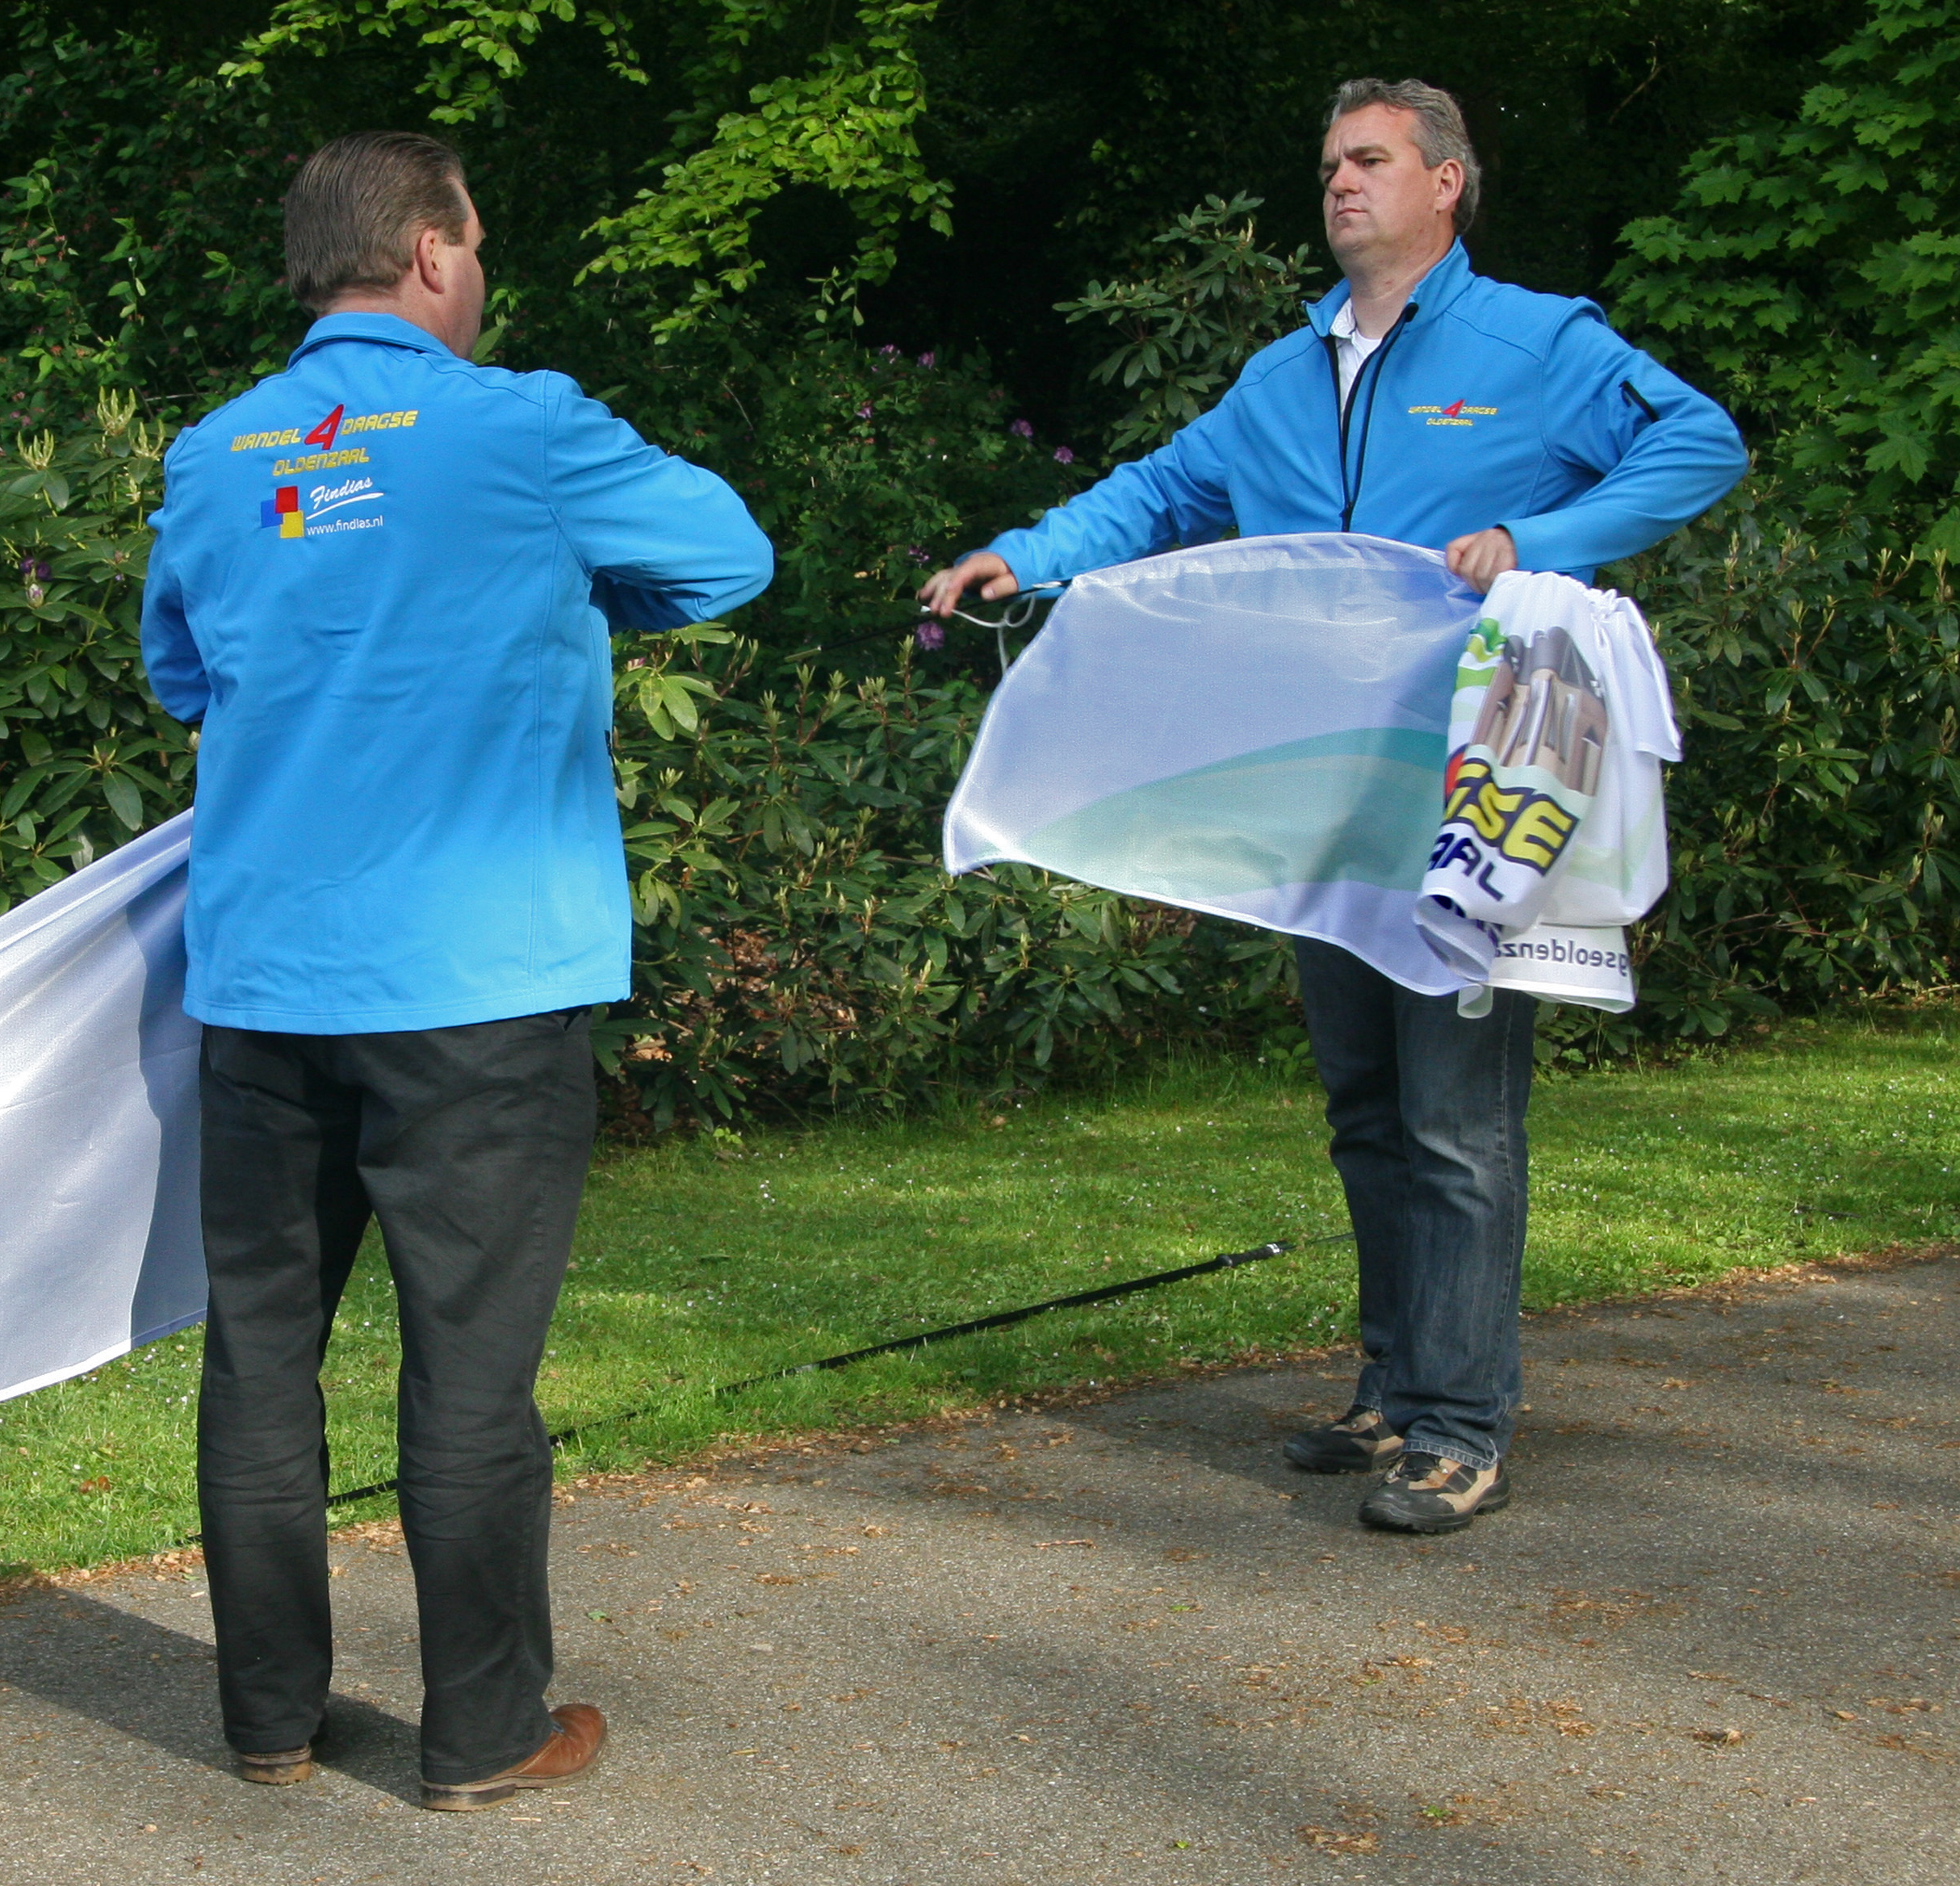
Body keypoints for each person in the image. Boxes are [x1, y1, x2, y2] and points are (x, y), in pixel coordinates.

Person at [920, 79, 1744, 1535]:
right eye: (1329, 165)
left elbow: (1700, 443)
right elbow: (1163, 493)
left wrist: (1539, 540)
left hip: (1476, 796)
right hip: (1322, 797)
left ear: (1448, 184)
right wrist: (1027, 554)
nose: (1341, 183)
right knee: (1368, 1111)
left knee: (1456, 1120)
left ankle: (1463, 1425)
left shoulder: (1536, 343)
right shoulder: (1283, 375)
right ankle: (1395, 1387)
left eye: (1370, 160)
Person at [140, 132, 773, 1808]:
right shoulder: (524, 427)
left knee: (261, 1355)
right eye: (475, 243)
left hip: (264, 983)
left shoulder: (213, 454)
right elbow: (729, 554)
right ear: (430, 252)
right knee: (472, 1371)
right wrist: (550, 602)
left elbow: (181, 671)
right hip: (476, 987)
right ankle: (483, 1733)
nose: (481, 271)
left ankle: (269, 1719)